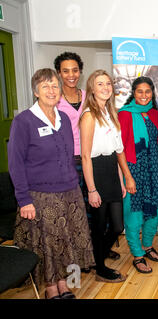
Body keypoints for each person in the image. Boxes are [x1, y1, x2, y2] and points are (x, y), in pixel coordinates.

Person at [8, 68, 95, 299]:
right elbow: (15, 164)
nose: (51, 90)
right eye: (45, 86)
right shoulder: (23, 121)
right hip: (41, 195)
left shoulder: (64, 118)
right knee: (48, 245)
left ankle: (63, 284)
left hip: (69, 191)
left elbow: (68, 155)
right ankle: (50, 288)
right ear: (36, 91)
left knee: (66, 242)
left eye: (55, 86)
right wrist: (24, 199)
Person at [79, 69, 127, 283]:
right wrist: (91, 189)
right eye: (100, 84)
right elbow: (86, 156)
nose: (106, 87)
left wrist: (121, 181)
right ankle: (100, 268)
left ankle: (95, 256)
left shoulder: (111, 113)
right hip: (96, 172)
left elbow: (117, 152)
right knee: (99, 227)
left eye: (108, 83)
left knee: (117, 226)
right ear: (91, 89)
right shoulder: (89, 116)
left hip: (111, 171)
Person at [117, 76, 158, 274]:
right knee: (134, 214)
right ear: (134, 93)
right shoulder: (124, 114)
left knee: (157, 210)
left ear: (152, 93)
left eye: (148, 92)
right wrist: (127, 177)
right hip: (134, 168)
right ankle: (137, 255)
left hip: (154, 167)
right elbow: (119, 149)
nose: (144, 95)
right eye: (140, 91)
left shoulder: (155, 113)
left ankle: (147, 245)